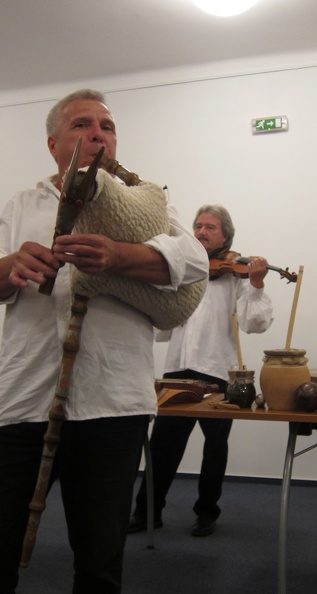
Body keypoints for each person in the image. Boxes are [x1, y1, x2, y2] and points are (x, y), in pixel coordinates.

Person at [0, 89, 209, 593]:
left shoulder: (145, 202)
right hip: (20, 400)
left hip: (111, 404)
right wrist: (11, 265)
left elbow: (196, 261)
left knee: (98, 568)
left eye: (107, 127)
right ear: (53, 143)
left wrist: (118, 255)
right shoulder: (23, 203)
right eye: (82, 125)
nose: (98, 134)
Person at [129, 205, 273, 537]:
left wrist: (256, 283)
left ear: (226, 236)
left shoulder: (236, 276)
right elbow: (162, 329)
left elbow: (255, 323)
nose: (202, 231)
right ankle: (147, 512)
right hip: (178, 369)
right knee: (162, 446)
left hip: (218, 372)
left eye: (210, 227)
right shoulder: (183, 272)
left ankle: (207, 512)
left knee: (215, 447)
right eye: (198, 226)